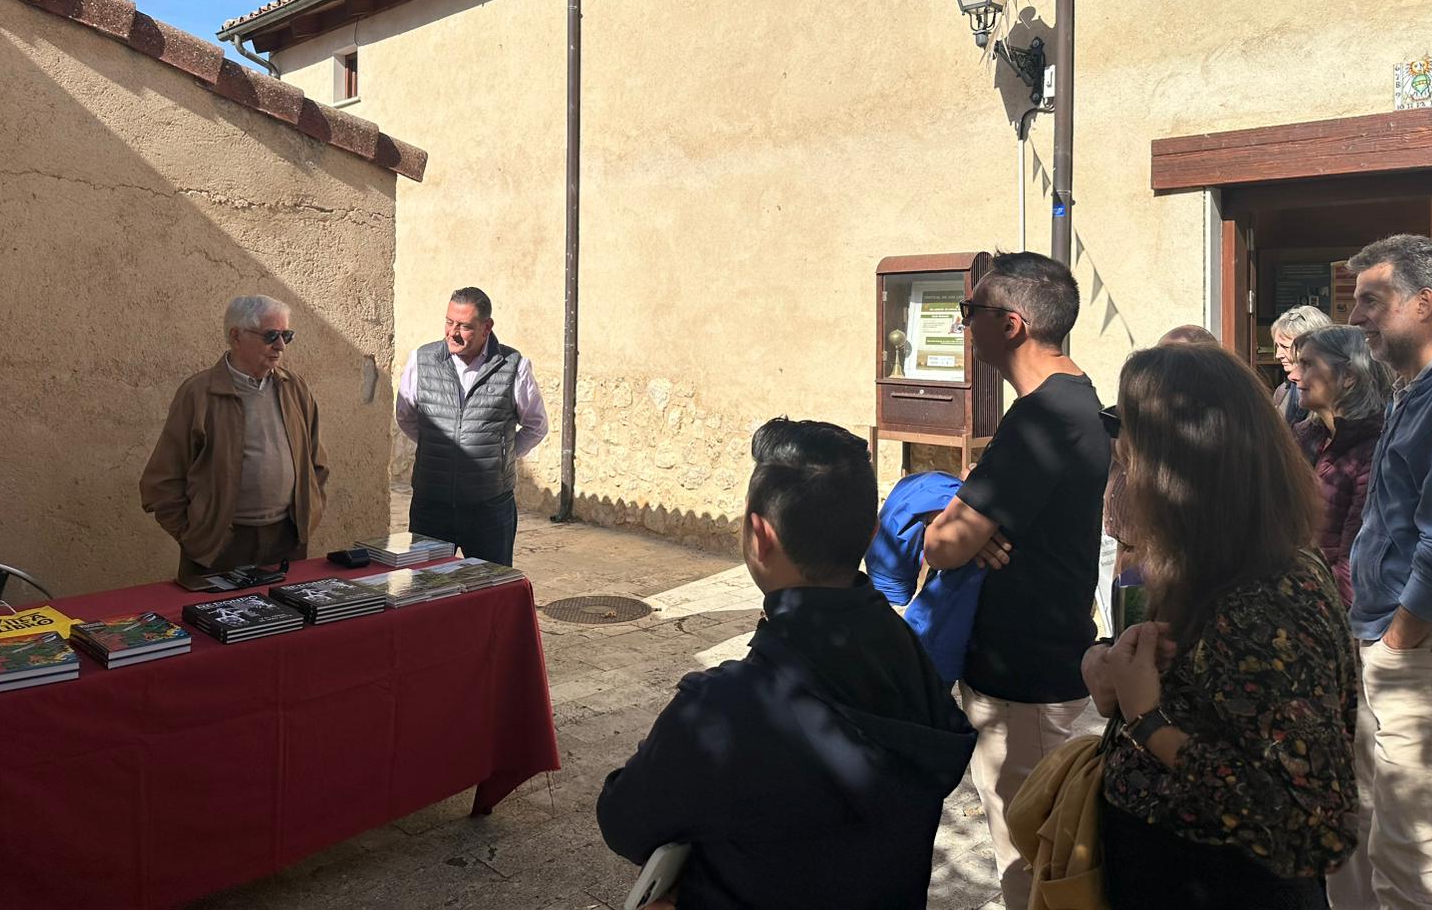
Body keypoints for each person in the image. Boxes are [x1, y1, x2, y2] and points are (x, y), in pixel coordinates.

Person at [595, 419, 976, 909]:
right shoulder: (911, 657)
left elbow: (624, 821)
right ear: (871, 533)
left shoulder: (726, 708)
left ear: (760, 535)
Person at [1084, 343, 1359, 909]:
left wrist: (1147, 718)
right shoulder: (1213, 567)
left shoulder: (1269, 598)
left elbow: (1311, 824)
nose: (1119, 449)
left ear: (1174, 464)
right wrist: (1117, 669)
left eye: (1124, 426)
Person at [921, 251, 1111, 909]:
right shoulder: (1078, 400)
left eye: (969, 313)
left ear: (1010, 324)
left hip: (1024, 678)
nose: (963, 327)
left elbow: (943, 544)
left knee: (1029, 863)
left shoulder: (1040, 421)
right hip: (1055, 659)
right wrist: (977, 527)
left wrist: (956, 526)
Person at [1342, 234, 1432, 909]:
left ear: (1424, 303)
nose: (1356, 316)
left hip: (1431, 652)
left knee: (1408, 856)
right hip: (1430, 648)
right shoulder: (1424, 388)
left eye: (1370, 300)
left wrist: (1398, 644)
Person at [141, 295, 328, 579]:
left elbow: (317, 465)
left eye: (286, 335)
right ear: (236, 336)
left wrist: (307, 516)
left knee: (284, 621)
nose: (280, 346)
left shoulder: (295, 389)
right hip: (220, 545)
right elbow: (163, 480)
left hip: (286, 539)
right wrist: (196, 535)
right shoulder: (199, 393)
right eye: (271, 336)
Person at [395, 287, 548, 566]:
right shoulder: (421, 360)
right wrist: (439, 449)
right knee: (427, 589)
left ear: (486, 327)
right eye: (449, 322)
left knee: (490, 591)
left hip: (489, 509)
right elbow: (406, 416)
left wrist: (500, 457)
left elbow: (536, 425)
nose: (453, 333)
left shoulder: (514, 366)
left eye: (464, 326)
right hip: (431, 504)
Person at [1103, 324, 1216, 575]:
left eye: (1173, 362)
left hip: (1170, 562)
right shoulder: (1140, 411)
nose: (1160, 368)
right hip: (1127, 552)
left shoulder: (1205, 433)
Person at [1290, 325, 1391, 606]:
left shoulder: (1374, 449)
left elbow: (1354, 559)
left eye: (1307, 364)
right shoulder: (1306, 438)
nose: (1295, 376)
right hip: (1299, 598)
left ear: (1348, 376)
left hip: (1333, 610)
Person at [1270, 305, 1333, 426]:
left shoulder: (1336, 394)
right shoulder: (1283, 392)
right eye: (1277, 347)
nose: (1278, 355)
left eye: (1285, 347)